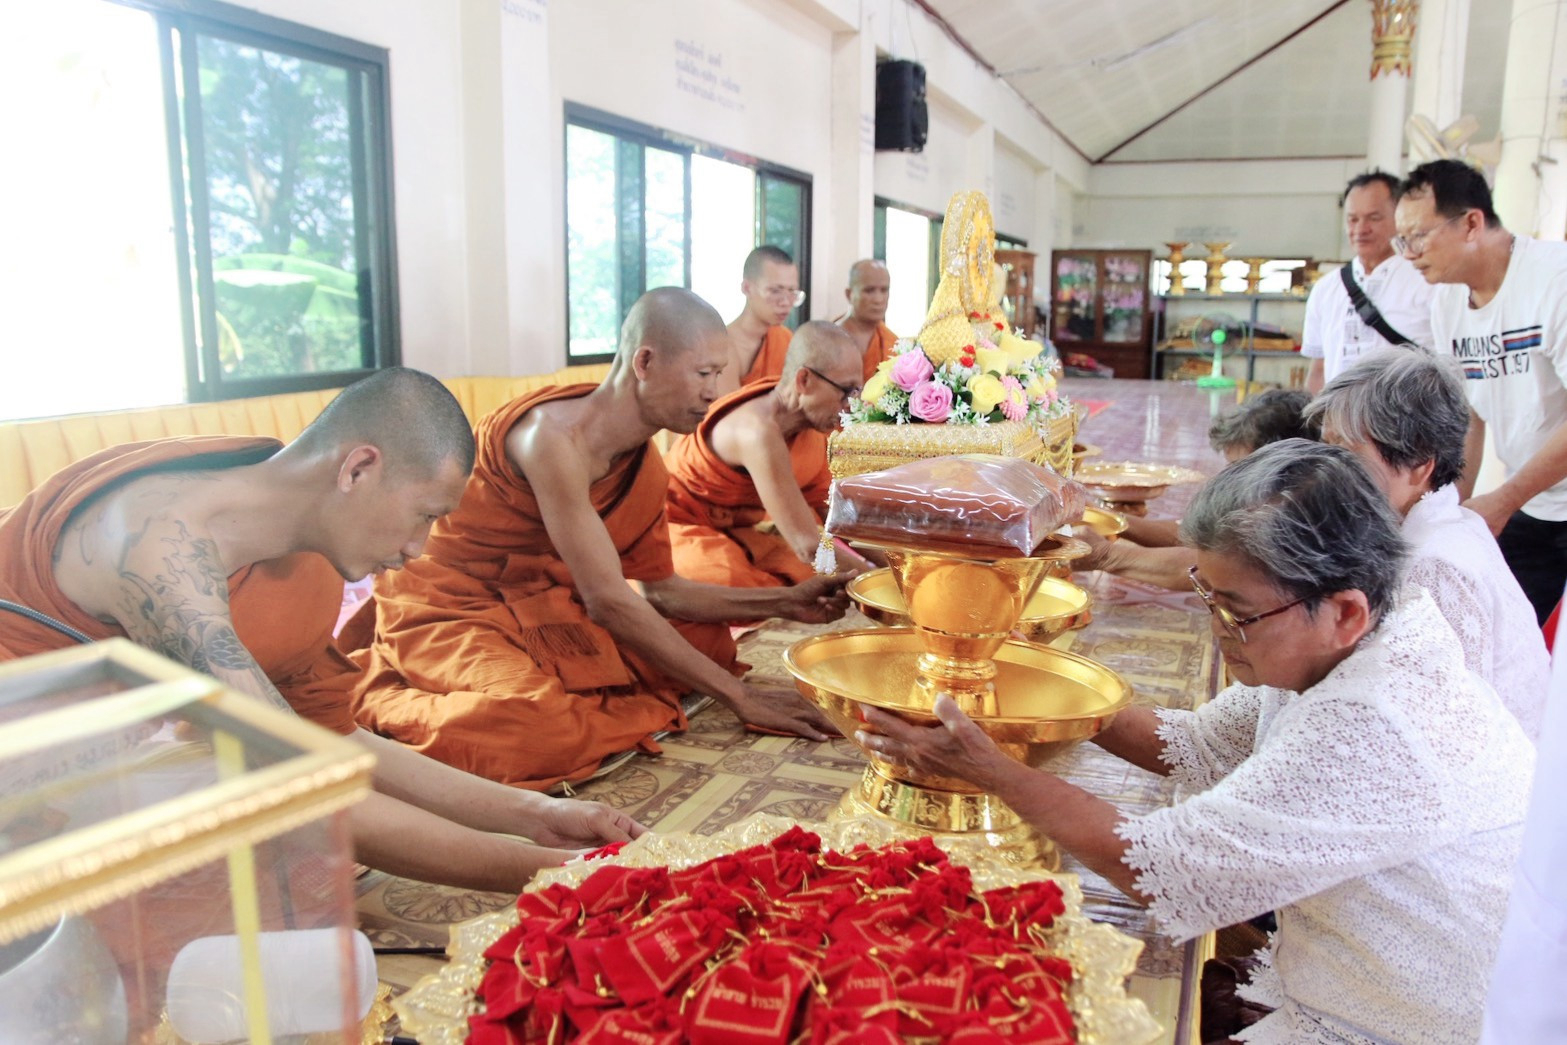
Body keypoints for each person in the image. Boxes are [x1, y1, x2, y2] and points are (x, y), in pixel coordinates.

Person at [860, 441, 1534, 1044]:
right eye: (1205, 597)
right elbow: (1196, 742)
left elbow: (1161, 866)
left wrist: (994, 770)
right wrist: (1015, 665)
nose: (1217, 627)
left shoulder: (1376, 717)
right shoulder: (1355, 634)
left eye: (1233, 611)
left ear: (1344, 611)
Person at [0, 368, 643, 893]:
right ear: (357, 468)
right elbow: (298, 788)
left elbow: (331, 740)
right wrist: (552, 875)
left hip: (108, 732)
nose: (420, 548)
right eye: (424, 515)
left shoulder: (305, 538)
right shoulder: (162, 547)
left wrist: (539, 816)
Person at [350, 289, 847, 792]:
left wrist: (786, 602)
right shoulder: (552, 437)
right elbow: (812, 545)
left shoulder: (652, 463)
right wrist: (742, 696)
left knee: (708, 645)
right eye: (704, 374)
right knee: (542, 728)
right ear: (645, 362)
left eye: (719, 375)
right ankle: (372, 699)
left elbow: (663, 590)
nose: (714, 392)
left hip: (557, 593)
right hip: (455, 600)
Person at [1306, 348, 1549, 740]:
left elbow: (1449, 731)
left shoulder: (1435, 565)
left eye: (1346, 451)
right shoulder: (1434, 526)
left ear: (1420, 464)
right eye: (1327, 445)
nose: (1327, 467)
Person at [1396, 158, 1567, 622]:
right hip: (1535, 503)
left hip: (1528, 496)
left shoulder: (1554, 281)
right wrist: (1449, 507)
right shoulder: (1448, 301)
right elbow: (1470, 414)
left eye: (1419, 236)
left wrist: (1505, 499)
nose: (1408, 253)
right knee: (1502, 634)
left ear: (1472, 223)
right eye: (1403, 239)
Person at [665, 321, 874, 596]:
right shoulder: (757, 431)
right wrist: (875, 582)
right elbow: (807, 544)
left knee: (806, 573)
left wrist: (899, 570)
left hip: (735, 531)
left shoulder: (809, 430)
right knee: (729, 581)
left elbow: (838, 517)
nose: (851, 405)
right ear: (804, 381)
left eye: (856, 392)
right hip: (675, 526)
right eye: (846, 391)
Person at [1115, 388, 1319, 551]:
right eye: (1231, 466)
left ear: (1283, 458)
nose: (1232, 476)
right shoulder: (1265, 486)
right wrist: (1101, 516)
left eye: (1240, 466)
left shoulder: (1301, 502)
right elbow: (1191, 533)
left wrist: (1107, 556)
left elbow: (1200, 564)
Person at [1302, 171, 1434, 394]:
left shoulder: (1428, 281)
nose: (1361, 229)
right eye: (1353, 219)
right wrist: (1312, 427)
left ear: (1399, 217)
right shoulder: (1326, 289)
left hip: (1409, 425)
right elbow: (1319, 370)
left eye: (1374, 218)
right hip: (1340, 424)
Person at [722, 245, 801, 395]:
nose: (785, 302)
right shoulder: (723, 345)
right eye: (775, 291)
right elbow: (729, 411)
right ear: (747, 288)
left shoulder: (786, 339)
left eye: (792, 291)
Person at [834, 258, 899, 382]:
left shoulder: (893, 344)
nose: (878, 299)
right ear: (849, 294)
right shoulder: (830, 338)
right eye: (869, 290)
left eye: (884, 290)